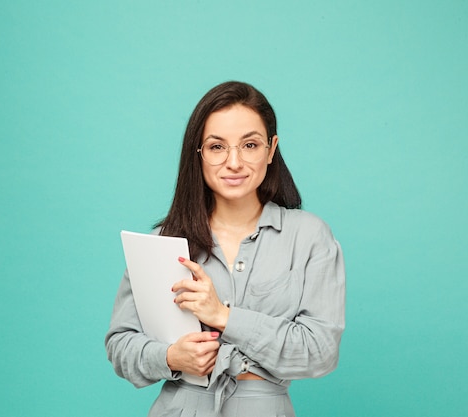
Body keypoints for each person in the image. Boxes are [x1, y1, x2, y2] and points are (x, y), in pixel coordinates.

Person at [105, 81, 346, 416]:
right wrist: (171, 357)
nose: (234, 162)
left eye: (249, 144)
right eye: (217, 147)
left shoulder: (308, 236)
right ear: (199, 153)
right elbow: (121, 345)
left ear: (271, 149)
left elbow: (320, 351)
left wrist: (223, 316)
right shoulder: (166, 240)